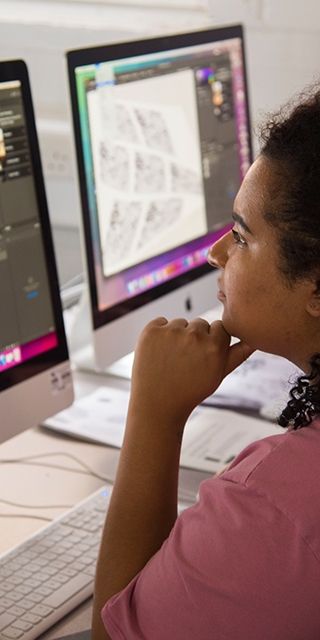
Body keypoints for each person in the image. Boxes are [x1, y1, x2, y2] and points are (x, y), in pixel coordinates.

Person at [92, 85, 320, 640]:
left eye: (241, 236)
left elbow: (114, 635)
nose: (216, 252)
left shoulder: (277, 504)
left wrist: (154, 416)